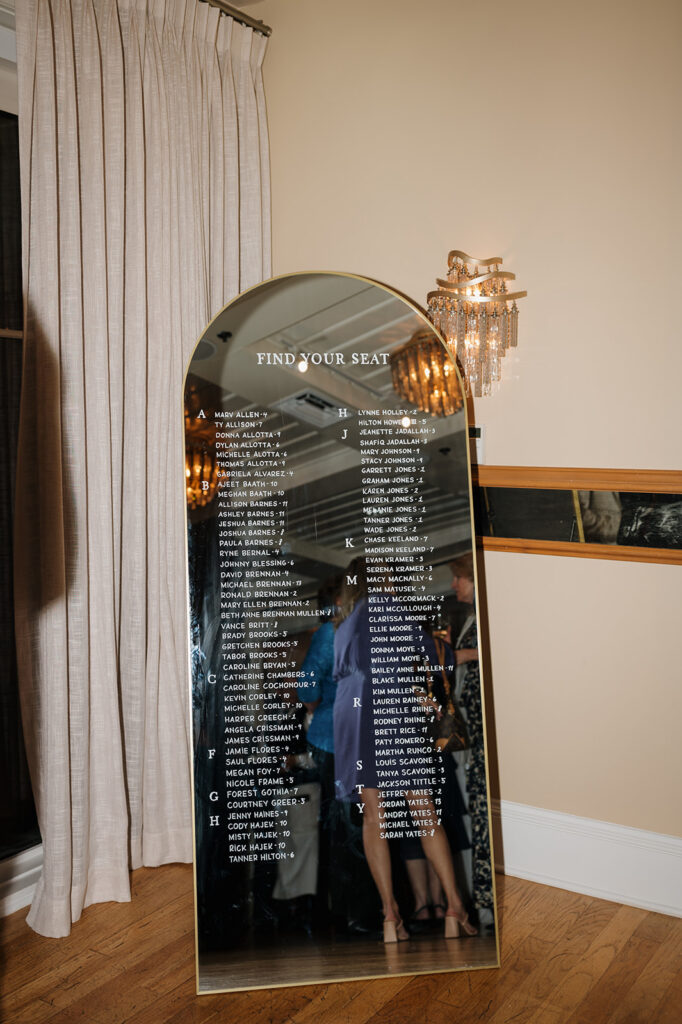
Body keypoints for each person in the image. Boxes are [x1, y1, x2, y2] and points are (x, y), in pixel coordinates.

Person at [333, 557, 476, 943]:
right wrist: (472, 653)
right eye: (389, 577)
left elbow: (365, 674)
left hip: (351, 718)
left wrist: (409, 691)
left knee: (373, 818)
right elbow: (434, 653)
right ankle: (454, 907)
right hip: (389, 716)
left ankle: (390, 915)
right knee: (423, 811)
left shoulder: (343, 626)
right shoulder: (386, 607)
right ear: (377, 580)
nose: (395, 584)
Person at [450, 552, 494, 925]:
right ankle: (487, 903)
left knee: (485, 812)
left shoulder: (492, 613)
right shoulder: (471, 619)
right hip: (476, 732)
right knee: (479, 812)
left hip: (488, 730)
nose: (454, 585)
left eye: (459, 578)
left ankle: (493, 901)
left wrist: (464, 653)